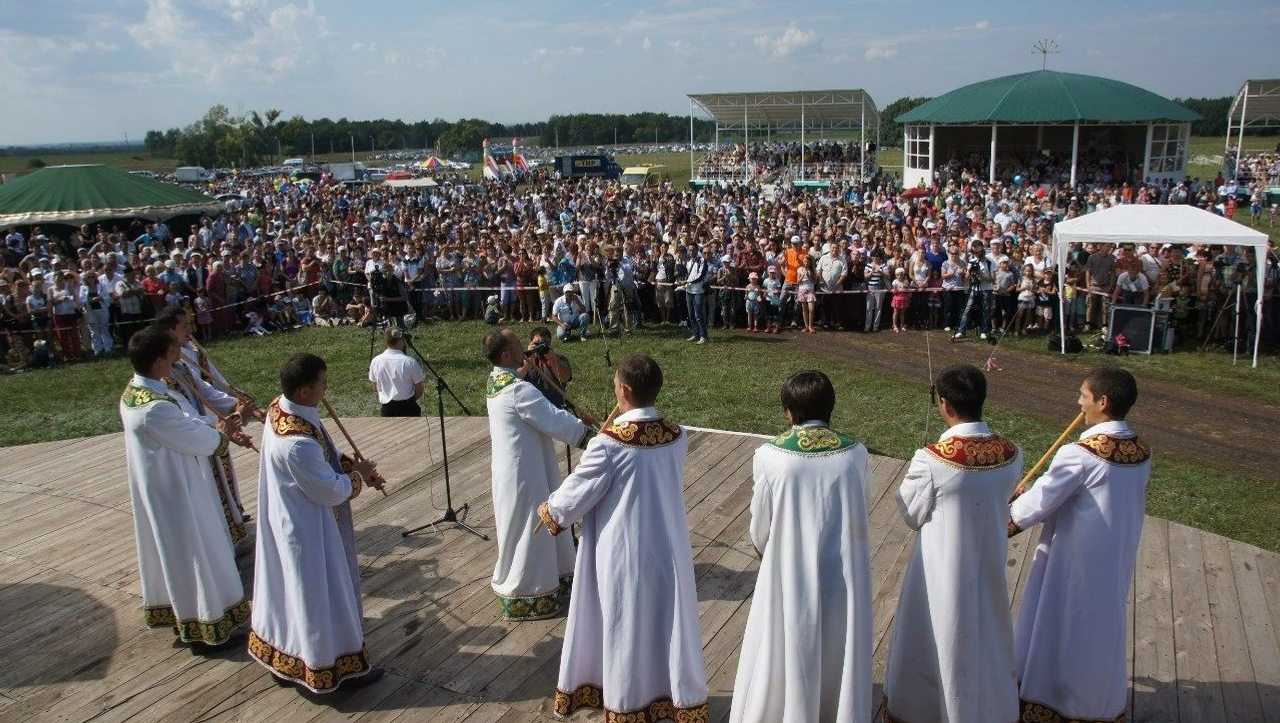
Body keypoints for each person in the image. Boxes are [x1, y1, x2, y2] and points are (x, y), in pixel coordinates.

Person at [536, 353, 708, 721]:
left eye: (616, 383)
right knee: (664, 620)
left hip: (623, 547)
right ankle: (667, 694)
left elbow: (579, 490)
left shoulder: (609, 443)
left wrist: (550, 509)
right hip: (668, 546)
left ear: (625, 390)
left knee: (624, 621)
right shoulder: (677, 435)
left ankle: (628, 703)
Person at [728, 370, 873, 723]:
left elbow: (761, 525)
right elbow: (862, 505)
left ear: (790, 411)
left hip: (789, 572)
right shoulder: (856, 454)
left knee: (788, 645)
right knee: (838, 646)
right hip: (843, 572)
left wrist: (770, 549)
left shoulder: (771, 455)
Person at [1008, 367, 1151, 723]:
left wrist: (1003, 514)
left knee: (1065, 625)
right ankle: (1096, 703)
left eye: (1084, 396)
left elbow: (1039, 503)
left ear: (1103, 402)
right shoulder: (1141, 451)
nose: (1079, 402)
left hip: (1075, 559)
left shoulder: (1081, 453)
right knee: (1098, 630)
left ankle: (1055, 701)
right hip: (1114, 558)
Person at [884, 364, 1022, 723]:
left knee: (937, 636)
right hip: (989, 563)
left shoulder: (932, 459)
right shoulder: (1011, 454)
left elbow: (911, 513)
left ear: (944, 404)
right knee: (987, 634)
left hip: (939, 568)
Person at [248, 352, 385, 693]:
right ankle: (334, 665)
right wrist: (357, 477)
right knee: (320, 596)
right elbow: (331, 491)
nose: (327, 389)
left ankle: (286, 657)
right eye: (322, 383)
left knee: (289, 594)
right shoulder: (296, 444)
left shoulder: (280, 407)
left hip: (290, 519)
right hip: (309, 530)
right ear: (305, 391)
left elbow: (325, 454)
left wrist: (349, 464)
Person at [119, 326, 249, 649]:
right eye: (172, 353)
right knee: (196, 553)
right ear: (158, 361)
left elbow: (184, 424)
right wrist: (221, 431)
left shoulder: (135, 393)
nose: (178, 356)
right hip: (179, 493)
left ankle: (188, 616)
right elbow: (200, 440)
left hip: (164, 488)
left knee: (177, 555)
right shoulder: (155, 408)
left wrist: (212, 425)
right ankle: (206, 624)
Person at [483, 328, 595, 620]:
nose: (524, 348)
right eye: (517, 344)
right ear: (505, 354)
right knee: (530, 527)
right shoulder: (518, 390)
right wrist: (590, 436)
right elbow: (552, 418)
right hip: (525, 472)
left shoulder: (497, 380)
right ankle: (529, 589)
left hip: (515, 467)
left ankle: (553, 576)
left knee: (522, 524)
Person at [152, 307, 255, 544]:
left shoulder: (182, 366)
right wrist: (234, 419)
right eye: (184, 327)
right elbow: (188, 420)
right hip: (195, 442)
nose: (189, 332)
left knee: (221, 480)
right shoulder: (163, 384)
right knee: (206, 492)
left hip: (210, 432)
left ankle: (231, 531)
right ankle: (218, 539)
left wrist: (238, 406)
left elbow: (208, 391)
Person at [368, 326, 424, 417]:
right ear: (401, 341)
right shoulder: (410, 362)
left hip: (387, 409)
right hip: (409, 407)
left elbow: (375, 387)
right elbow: (419, 389)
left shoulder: (376, 361)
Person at [521, 326, 573, 410]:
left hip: (555, 407)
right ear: (531, 343)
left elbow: (564, 378)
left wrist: (551, 358)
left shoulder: (560, 359)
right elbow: (516, 377)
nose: (540, 347)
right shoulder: (524, 361)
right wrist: (529, 356)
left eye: (544, 343)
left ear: (550, 344)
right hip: (532, 407)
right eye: (537, 344)